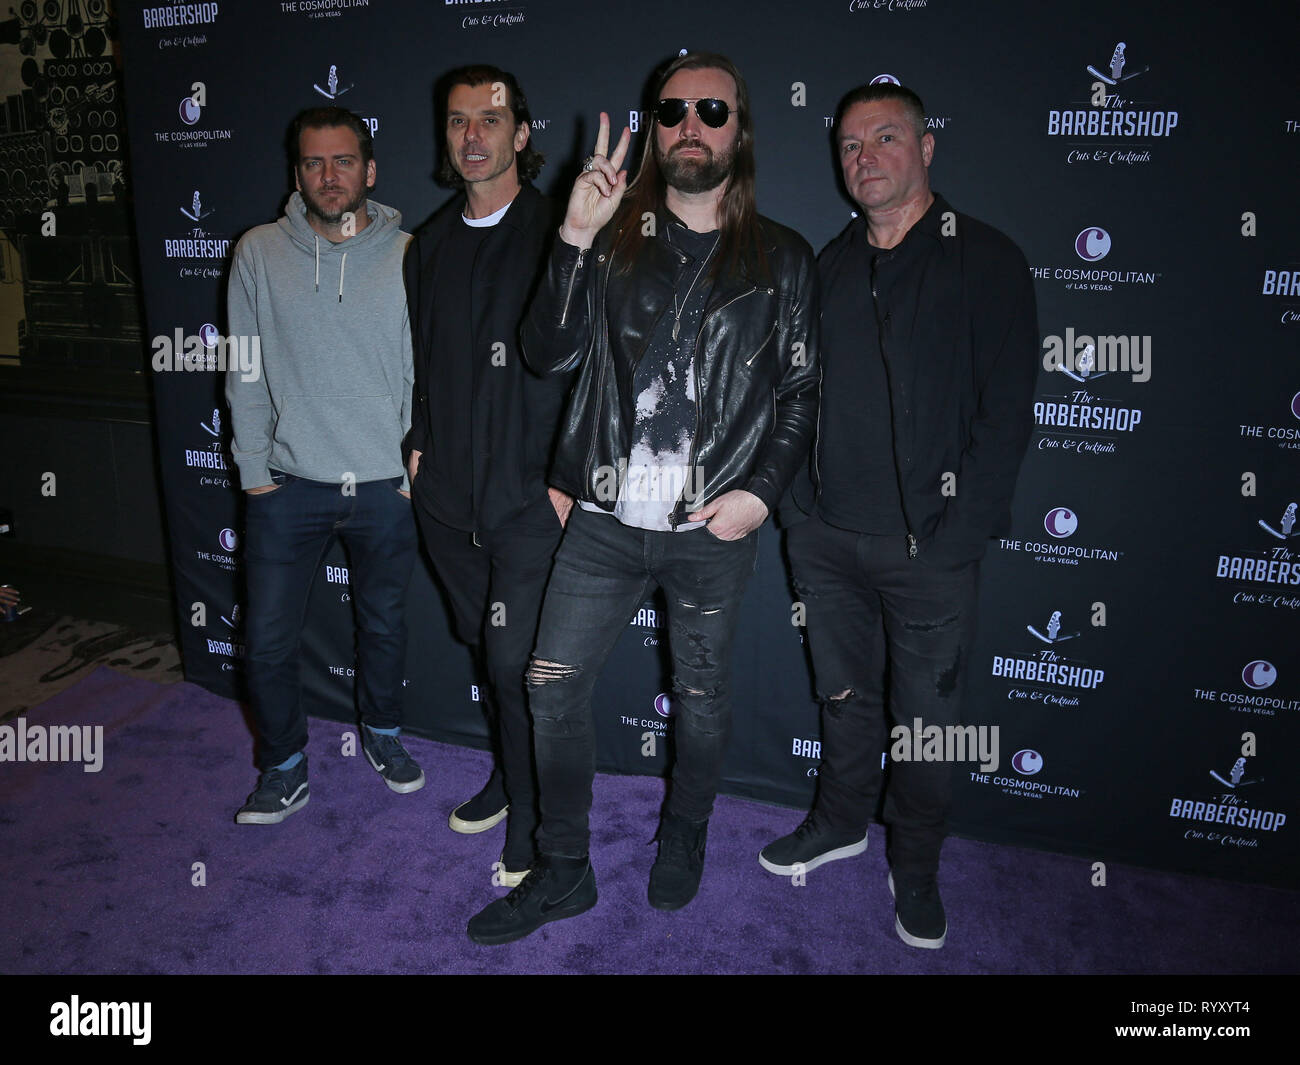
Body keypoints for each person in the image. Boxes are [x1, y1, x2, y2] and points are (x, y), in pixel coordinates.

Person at [467, 52, 820, 944]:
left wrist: (761, 496)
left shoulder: (782, 256)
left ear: (740, 129)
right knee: (549, 688)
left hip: (712, 526)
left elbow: (803, 393)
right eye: (671, 111)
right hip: (602, 522)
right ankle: (562, 868)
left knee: (700, 699)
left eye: (711, 109)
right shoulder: (612, 233)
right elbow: (545, 354)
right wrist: (574, 237)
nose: (689, 125)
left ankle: (685, 836)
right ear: (654, 128)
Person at [760, 83, 1038, 949]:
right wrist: (798, 512)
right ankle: (842, 821)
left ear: (926, 147)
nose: (864, 157)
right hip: (827, 540)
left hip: (931, 552)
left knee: (927, 725)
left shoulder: (986, 259)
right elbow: (791, 390)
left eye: (884, 138)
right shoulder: (826, 264)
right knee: (843, 698)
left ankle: (914, 863)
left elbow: (1006, 414)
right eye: (849, 145)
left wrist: (959, 535)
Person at [226, 106, 420, 824]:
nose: (329, 176)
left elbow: (419, 371)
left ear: (369, 170)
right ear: (296, 172)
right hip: (287, 485)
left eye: (343, 161)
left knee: (386, 625)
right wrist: (251, 469)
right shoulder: (258, 252)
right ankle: (283, 768)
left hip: (383, 484)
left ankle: (384, 734)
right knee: (270, 640)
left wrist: (408, 469)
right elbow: (244, 369)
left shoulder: (408, 253)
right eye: (314, 163)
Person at [404, 66, 570, 885]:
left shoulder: (558, 235)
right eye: (457, 121)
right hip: (446, 500)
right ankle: (510, 776)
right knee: (486, 652)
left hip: (529, 502)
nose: (472, 136)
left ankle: (536, 822)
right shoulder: (429, 242)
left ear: (522, 133)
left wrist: (569, 478)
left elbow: (593, 367)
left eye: (490, 120)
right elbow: (427, 362)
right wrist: (419, 438)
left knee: (514, 665)